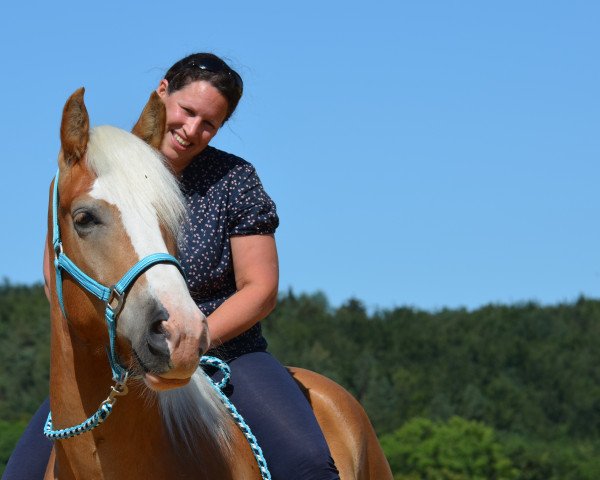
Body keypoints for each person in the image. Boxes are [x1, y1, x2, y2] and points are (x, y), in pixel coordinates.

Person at [3, 53, 340, 480]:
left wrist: (192, 341)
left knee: (307, 467)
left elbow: (260, 288)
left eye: (210, 124)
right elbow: (59, 277)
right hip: (116, 357)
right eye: (188, 111)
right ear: (161, 93)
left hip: (225, 351)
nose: (193, 130)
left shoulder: (234, 180)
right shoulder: (87, 175)